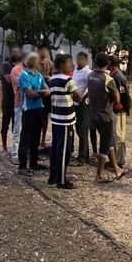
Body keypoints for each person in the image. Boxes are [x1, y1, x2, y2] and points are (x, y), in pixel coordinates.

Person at [88, 53, 126, 183]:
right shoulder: (108, 79)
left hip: (92, 114)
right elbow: (117, 98)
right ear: (107, 64)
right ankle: (99, 175)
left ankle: (116, 168)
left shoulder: (90, 76)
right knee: (104, 145)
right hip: (105, 116)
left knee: (108, 141)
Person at [48, 54, 82, 189]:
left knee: (55, 148)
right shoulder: (68, 80)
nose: (71, 66)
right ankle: (61, 180)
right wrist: (75, 97)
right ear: (62, 65)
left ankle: (53, 176)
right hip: (66, 120)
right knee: (64, 151)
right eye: (69, 63)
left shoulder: (53, 79)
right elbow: (78, 96)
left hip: (56, 118)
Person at [18, 52, 50, 176]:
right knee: (26, 138)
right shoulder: (24, 75)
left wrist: (38, 92)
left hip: (38, 109)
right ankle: (22, 166)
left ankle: (33, 163)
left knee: (36, 138)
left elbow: (48, 91)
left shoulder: (38, 75)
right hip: (28, 110)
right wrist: (42, 92)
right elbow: (30, 94)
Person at [109, 56, 130, 167]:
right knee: (115, 135)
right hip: (117, 109)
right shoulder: (115, 75)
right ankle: (116, 160)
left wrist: (125, 110)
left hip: (119, 110)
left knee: (118, 135)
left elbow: (125, 95)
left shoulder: (117, 76)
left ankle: (119, 161)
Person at [0, 46, 22, 153]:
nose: (16, 54)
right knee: (5, 123)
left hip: (18, 100)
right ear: (10, 53)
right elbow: (9, 80)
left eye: (18, 52)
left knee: (16, 125)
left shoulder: (21, 67)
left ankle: (15, 148)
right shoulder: (5, 65)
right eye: (14, 52)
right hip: (8, 99)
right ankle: (4, 147)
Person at [73, 52, 92, 165]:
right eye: (77, 59)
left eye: (80, 59)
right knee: (78, 130)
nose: (78, 61)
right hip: (74, 103)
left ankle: (82, 158)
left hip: (83, 104)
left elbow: (91, 88)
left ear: (85, 60)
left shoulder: (88, 73)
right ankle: (85, 155)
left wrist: (83, 98)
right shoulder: (76, 70)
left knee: (83, 131)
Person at [9, 54, 26, 163]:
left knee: (27, 129)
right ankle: (14, 153)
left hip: (30, 104)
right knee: (17, 129)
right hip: (20, 103)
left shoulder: (32, 70)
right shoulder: (16, 70)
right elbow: (22, 84)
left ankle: (24, 152)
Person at [38, 44, 53, 148]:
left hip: (47, 94)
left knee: (45, 117)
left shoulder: (50, 63)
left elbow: (53, 75)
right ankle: (35, 138)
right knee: (36, 117)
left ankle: (43, 139)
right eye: (42, 50)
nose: (44, 52)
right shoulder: (34, 62)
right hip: (37, 92)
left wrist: (50, 78)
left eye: (46, 50)